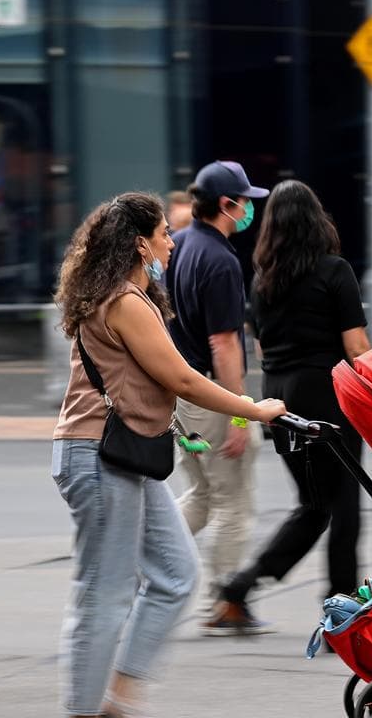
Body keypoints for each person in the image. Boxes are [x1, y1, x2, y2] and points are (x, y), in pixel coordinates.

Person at [52, 192, 285, 717]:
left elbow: (143, 383)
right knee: (103, 596)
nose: (171, 240)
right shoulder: (124, 301)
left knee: (177, 574)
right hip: (98, 455)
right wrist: (252, 409)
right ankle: (84, 710)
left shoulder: (124, 296)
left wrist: (178, 430)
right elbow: (181, 377)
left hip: (123, 455)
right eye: (162, 232)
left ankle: (121, 697)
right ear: (140, 244)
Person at [210, 180, 370, 633]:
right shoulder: (335, 271)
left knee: (314, 505)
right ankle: (342, 604)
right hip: (328, 398)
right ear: (317, 220)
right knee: (343, 507)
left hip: (279, 402)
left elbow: (261, 350)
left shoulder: (263, 280)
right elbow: (357, 347)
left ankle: (238, 589)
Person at [163, 161, 269, 612]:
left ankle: (141, 558)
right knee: (233, 502)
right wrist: (241, 413)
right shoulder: (222, 261)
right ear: (226, 205)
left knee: (204, 493)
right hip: (211, 399)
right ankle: (224, 602)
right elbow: (225, 343)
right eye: (244, 202)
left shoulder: (179, 245)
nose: (248, 209)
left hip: (183, 400)